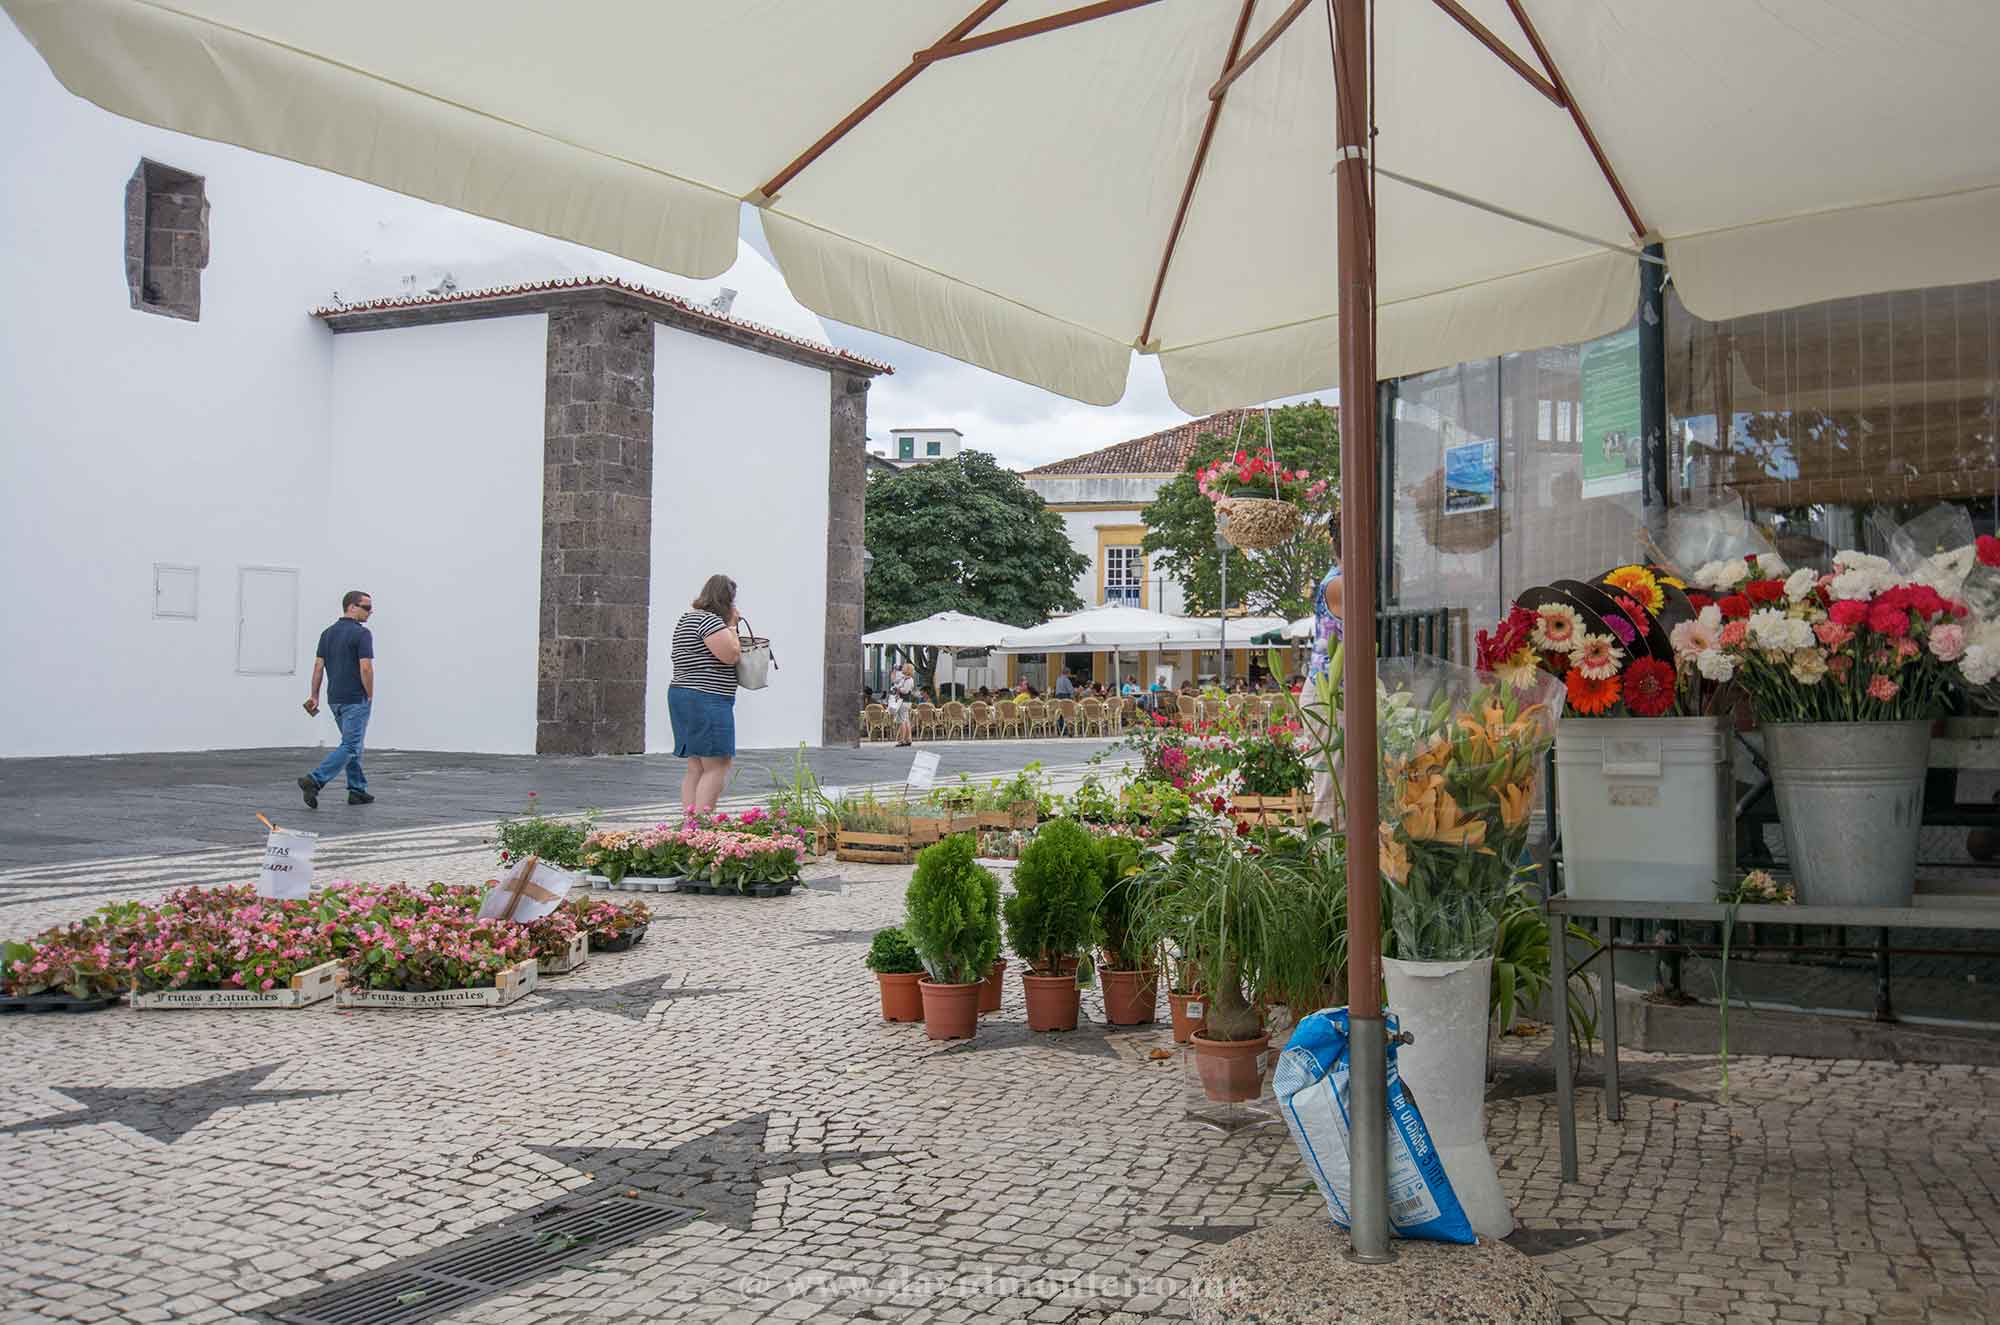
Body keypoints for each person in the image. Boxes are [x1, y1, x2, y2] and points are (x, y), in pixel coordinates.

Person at [669, 574, 744, 813]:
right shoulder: (710, 622)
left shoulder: (687, 618)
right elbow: (730, 655)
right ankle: (702, 823)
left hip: (683, 695)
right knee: (717, 763)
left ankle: (690, 824)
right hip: (706, 699)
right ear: (726, 599)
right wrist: (732, 626)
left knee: (696, 766)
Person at [299, 590, 375, 808]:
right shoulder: (362, 634)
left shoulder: (327, 634)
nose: (370, 612)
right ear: (351, 607)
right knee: (351, 745)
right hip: (355, 698)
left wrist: (314, 695)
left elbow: (318, 667)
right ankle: (315, 779)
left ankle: (357, 790)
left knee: (352, 743)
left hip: (335, 698)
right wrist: (369, 693)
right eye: (366, 607)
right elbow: (366, 668)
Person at [1306, 563, 1345, 825]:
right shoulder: (1339, 583)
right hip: (1328, 694)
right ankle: (1326, 847)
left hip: (1336, 692)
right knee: (1332, 795)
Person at [890, 661, 917, 746]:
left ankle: (902, 740)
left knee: (902, 721)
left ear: (908, 669)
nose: (902, 668)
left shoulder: (909, 680)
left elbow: (905, 691)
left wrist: (897, 689)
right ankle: (908, 739)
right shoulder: (904, 678)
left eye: (904, 667)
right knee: (906, 720)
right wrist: (894, 670)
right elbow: (894, 680)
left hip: (904, 701)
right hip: (904, 701)